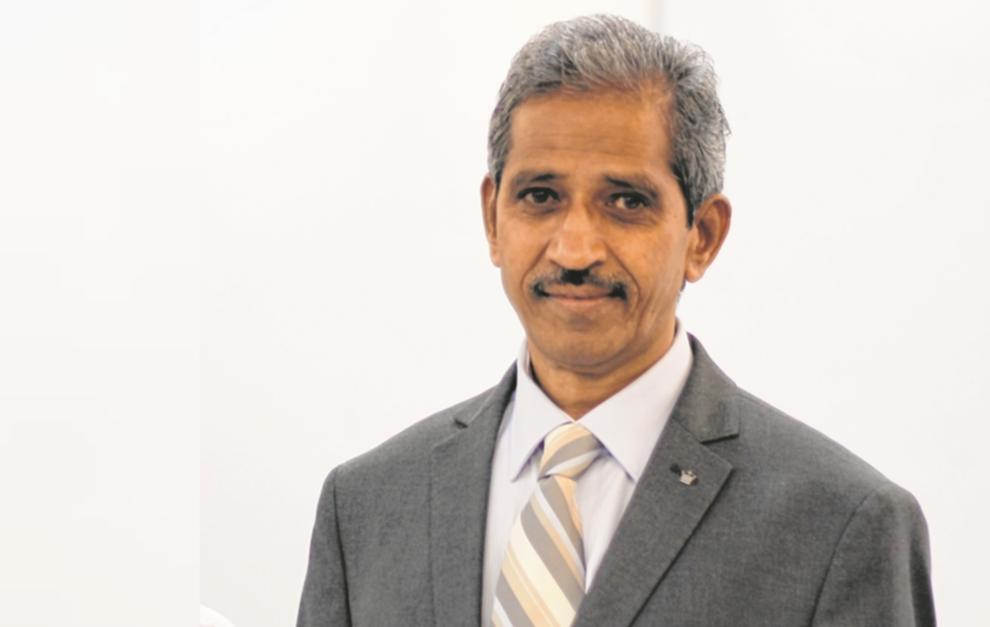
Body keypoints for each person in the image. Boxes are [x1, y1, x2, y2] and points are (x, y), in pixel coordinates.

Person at [298, 14, 935, 627]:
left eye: (626, 201)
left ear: (703, 236)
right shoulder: (366, 508)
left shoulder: (840, 525)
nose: (575, 250)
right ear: (493, 219)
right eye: (540, 196)